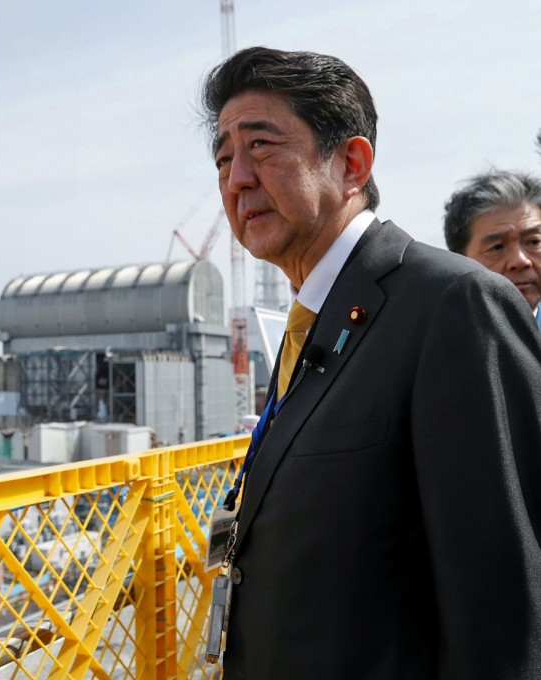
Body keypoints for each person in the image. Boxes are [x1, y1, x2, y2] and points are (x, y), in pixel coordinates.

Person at [200, 46, 541, 679]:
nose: (236, 178)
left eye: (261, 147)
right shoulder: (317, 317)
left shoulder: (453, 303)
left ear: (351, 163)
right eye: (223, 158)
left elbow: (503, 606)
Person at [443, 169, 541, 329]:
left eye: (533, 242)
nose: (520, 261)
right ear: (459, 260)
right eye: (497, 247)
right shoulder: (437, 341)